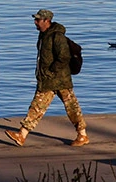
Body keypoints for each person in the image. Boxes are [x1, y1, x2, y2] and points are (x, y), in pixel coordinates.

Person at [5, 9, 88, 147]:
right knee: (39, 106)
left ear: (46, 21)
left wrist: (51, 70)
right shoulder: (43, 35)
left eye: (38, 20)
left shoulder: (57, 37)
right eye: (35, 20)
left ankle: (82, 135)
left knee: (70, 107)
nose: (35, 22)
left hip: (59, 79)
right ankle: (22, 134)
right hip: (49, 79)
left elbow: (64, 56)